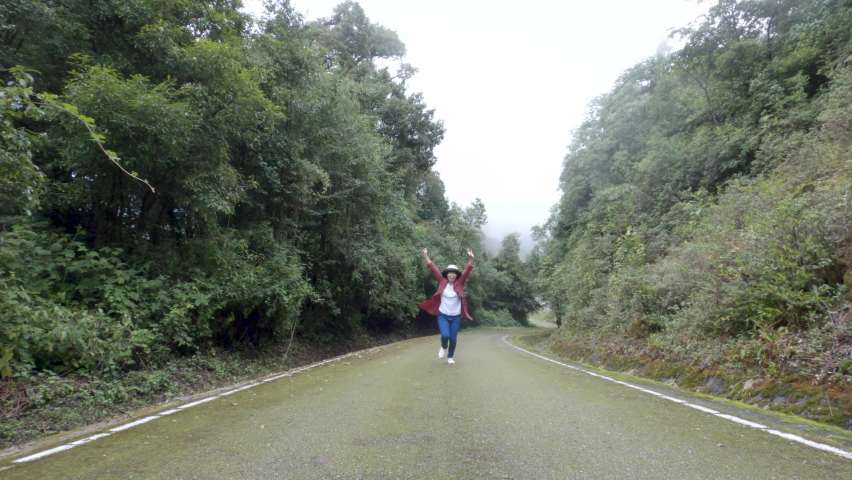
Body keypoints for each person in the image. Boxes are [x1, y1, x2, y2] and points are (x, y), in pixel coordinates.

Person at [418, 248, 475, 364]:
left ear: (456, 275)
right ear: (447, 274)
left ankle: (450, 357)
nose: (452, 275)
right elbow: (433, 268)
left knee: (453, 339)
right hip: (443, 315)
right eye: (450, 273)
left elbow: (467, 270)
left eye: (454, 273)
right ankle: (444, 346)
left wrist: (471, 258)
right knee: (445, 335)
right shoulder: (442, 281)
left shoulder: (460, 283)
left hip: (456, 317)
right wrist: (425, 255)